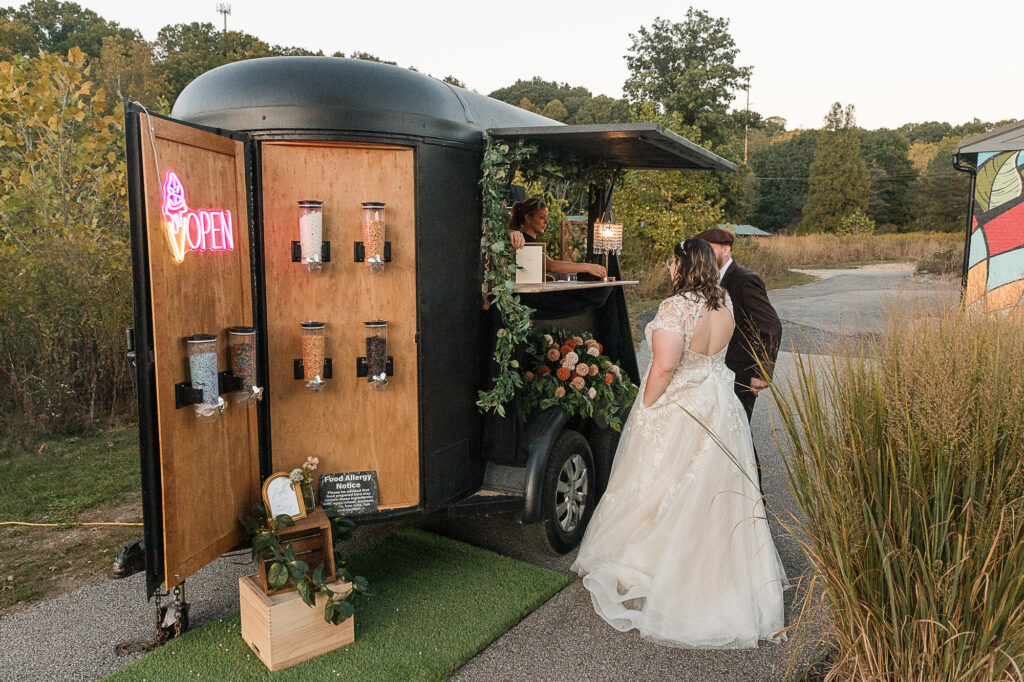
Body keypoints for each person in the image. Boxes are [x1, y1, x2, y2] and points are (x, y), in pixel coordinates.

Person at [572, 238, 788, 649]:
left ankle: (663, 562)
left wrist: (647, 406)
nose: (670, 266)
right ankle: (723, 566)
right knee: (712, 487)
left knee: (662, 477)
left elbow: (666, 365)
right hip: (720, 404)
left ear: (683, 265)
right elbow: (716, 355)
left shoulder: (675, 307)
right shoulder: (723, 304)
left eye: (673, 261)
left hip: (682, 404)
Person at [694, 228, 782, 422]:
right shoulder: (705, 280)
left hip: (740, 372)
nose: (704, 255)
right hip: (714, 370)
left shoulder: (745, 280)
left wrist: (762, 372)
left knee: (737, 430)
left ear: (726, 250)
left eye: (709, 249)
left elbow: (771, 327)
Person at [507, 197, 606, 279]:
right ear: (528, 218)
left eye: (547, 217)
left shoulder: (529, 240)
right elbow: (552, 266)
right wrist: (587, 267)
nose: (547, 222)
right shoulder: (522, 240)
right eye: (541, 217)